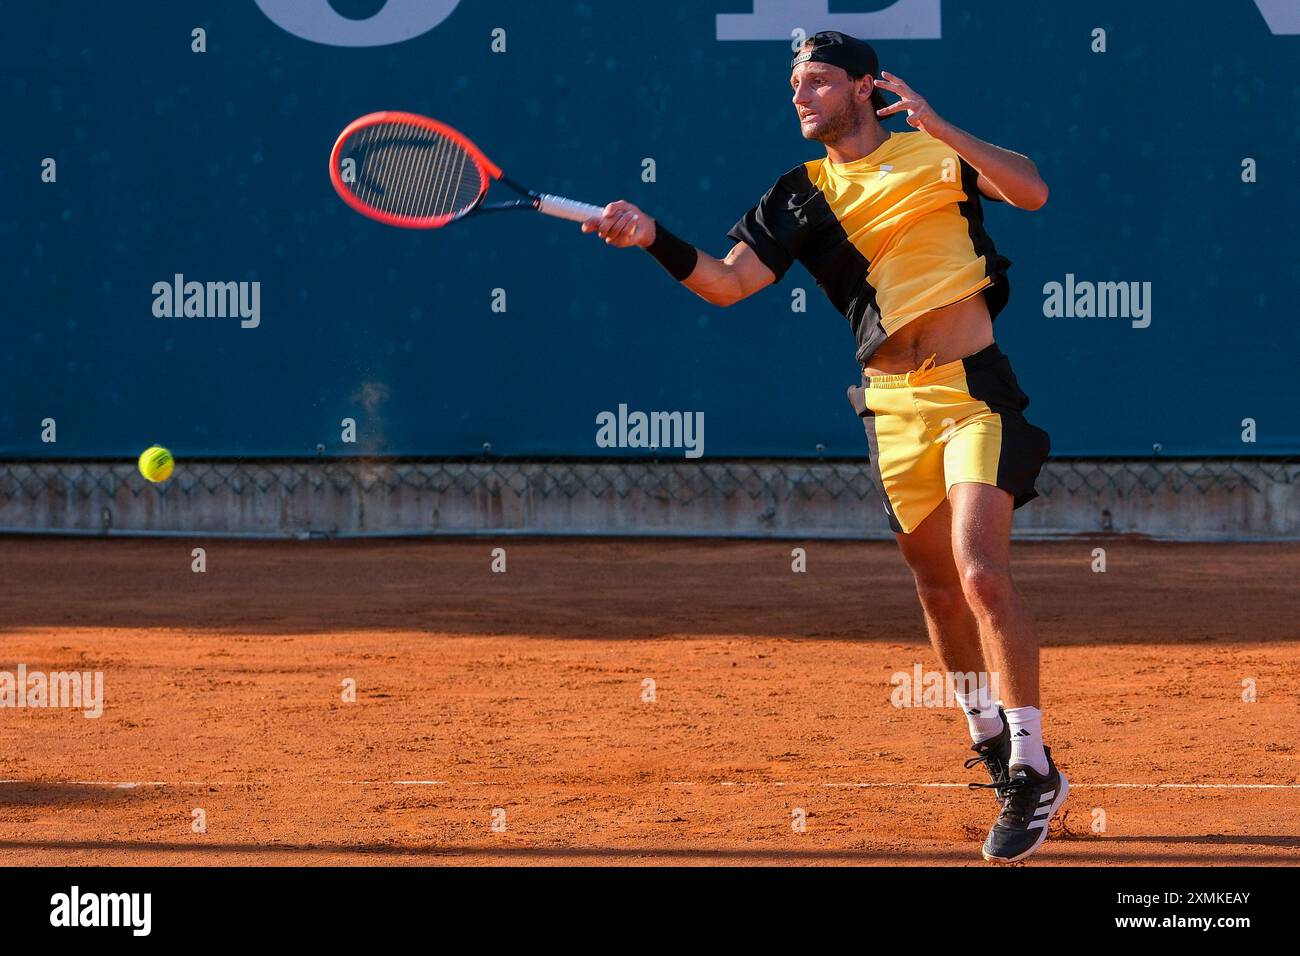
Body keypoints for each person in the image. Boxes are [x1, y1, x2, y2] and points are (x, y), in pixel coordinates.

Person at [581, 30, 1066, 863]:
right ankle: (987, 739)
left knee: (982, 572)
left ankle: (1033, 767)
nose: (799, 96)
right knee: (939, 590)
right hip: (890, 406)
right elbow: (729, 284)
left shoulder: (932, 156)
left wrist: (939, 125)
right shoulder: (799, 194)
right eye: (793, 84)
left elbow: (1031, 191)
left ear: (864, 87)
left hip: (971, 390)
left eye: (817, 81)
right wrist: (652, 237)